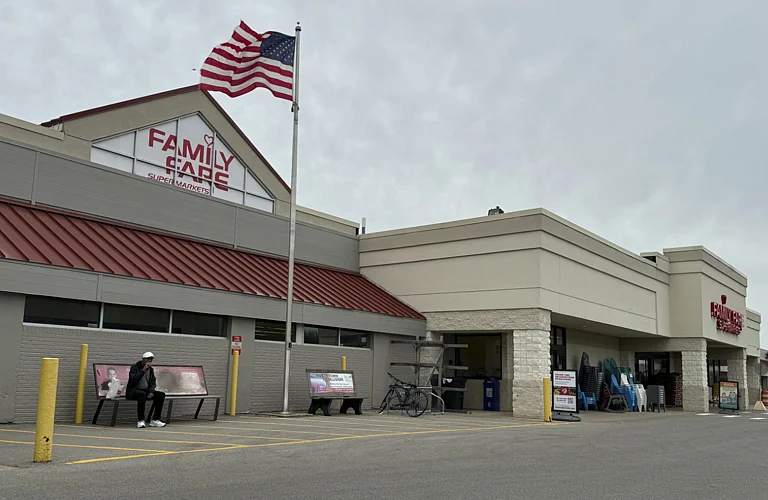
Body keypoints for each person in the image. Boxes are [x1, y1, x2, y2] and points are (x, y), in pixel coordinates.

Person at [126, 352, 167, 428]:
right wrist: (143, 370)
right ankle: (141, 420)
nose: (149, 361)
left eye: (151, 359)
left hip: (146, 391)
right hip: (134, 391)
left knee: (161, 395)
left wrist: (151, 391)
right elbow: (133, 379)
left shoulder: (150, 370)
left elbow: (152, 382)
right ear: (143, 359)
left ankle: (155, 419)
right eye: (148, 359)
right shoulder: (134, 367)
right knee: (141, 394)